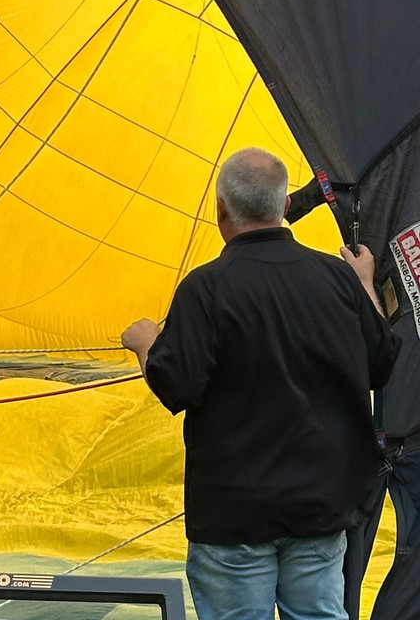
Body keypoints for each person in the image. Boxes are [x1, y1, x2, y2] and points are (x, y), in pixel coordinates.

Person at [121, 147, 400, 620]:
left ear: (221, 209)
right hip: (320, 508)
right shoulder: (338, 278)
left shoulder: (206, 288)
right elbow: (382, 362)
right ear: (282, 206)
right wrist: (366, 285)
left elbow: (175, 384)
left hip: (235, 517)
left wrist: (146, 342)